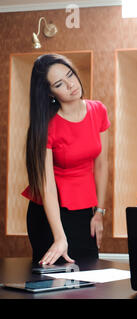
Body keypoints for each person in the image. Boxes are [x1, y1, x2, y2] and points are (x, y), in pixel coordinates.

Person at [23, 54, 110, 265]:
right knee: (54, 285)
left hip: (83, 209)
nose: (71, 85)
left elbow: (101, 163)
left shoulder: (98, 110)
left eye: (70, 75)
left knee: (89, 279)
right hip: (50, 213)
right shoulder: (47, 126)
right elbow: (47, 185)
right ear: (50, 93)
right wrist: (60, 237)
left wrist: (99, 212)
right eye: (60, 84)